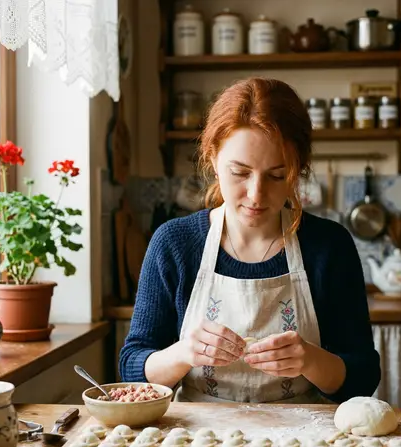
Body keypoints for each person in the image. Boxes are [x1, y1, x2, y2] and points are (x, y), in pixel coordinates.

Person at [119, 77, 380, 404]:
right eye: (240, 172)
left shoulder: (329, 247)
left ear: (298, 170)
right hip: (197, 444)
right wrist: (185, 352)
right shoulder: (174, 244)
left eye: (276, 175)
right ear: (213, 160)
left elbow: (364, 377)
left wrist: (310, 360)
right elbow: (132, 367)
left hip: (302, 443)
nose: (256, 195)